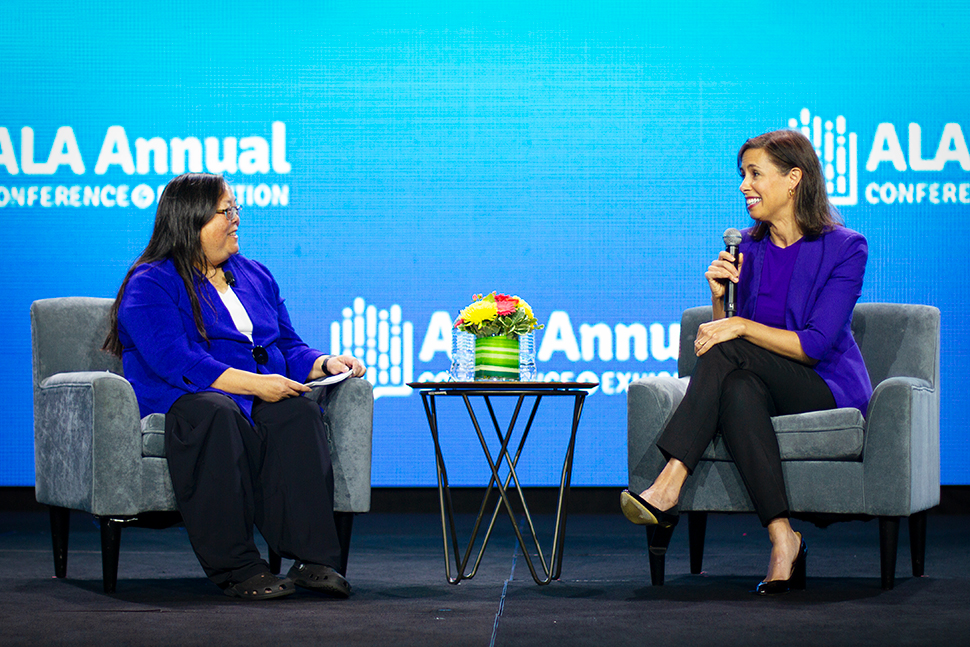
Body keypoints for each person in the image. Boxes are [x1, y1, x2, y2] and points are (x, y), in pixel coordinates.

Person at [621, 129, 872, 595]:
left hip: (825, 386)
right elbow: (734, 349)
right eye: (743, 175)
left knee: (733, 352)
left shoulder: (845, 248)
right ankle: (783, 540)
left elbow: (814, 344)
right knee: (735, 386)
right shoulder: (749, 250)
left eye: (756, 174)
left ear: (794, 178)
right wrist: (721, 306)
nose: (744, 185)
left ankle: (669, 483)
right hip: (763, 382)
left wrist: (735, 328)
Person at [103, 172, 366, 600]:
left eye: (235, 210)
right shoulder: (151, 282)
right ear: (191, 220)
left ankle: (312, 560)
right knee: (215, 412)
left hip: (247, 398)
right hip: (184, 403)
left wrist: (322, 363)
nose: (236, 220)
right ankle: (238, 568)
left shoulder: (255, 275)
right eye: (225, 212)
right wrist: (258, 385)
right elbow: (176, 360)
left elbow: (284, 345)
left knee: (296, 413)